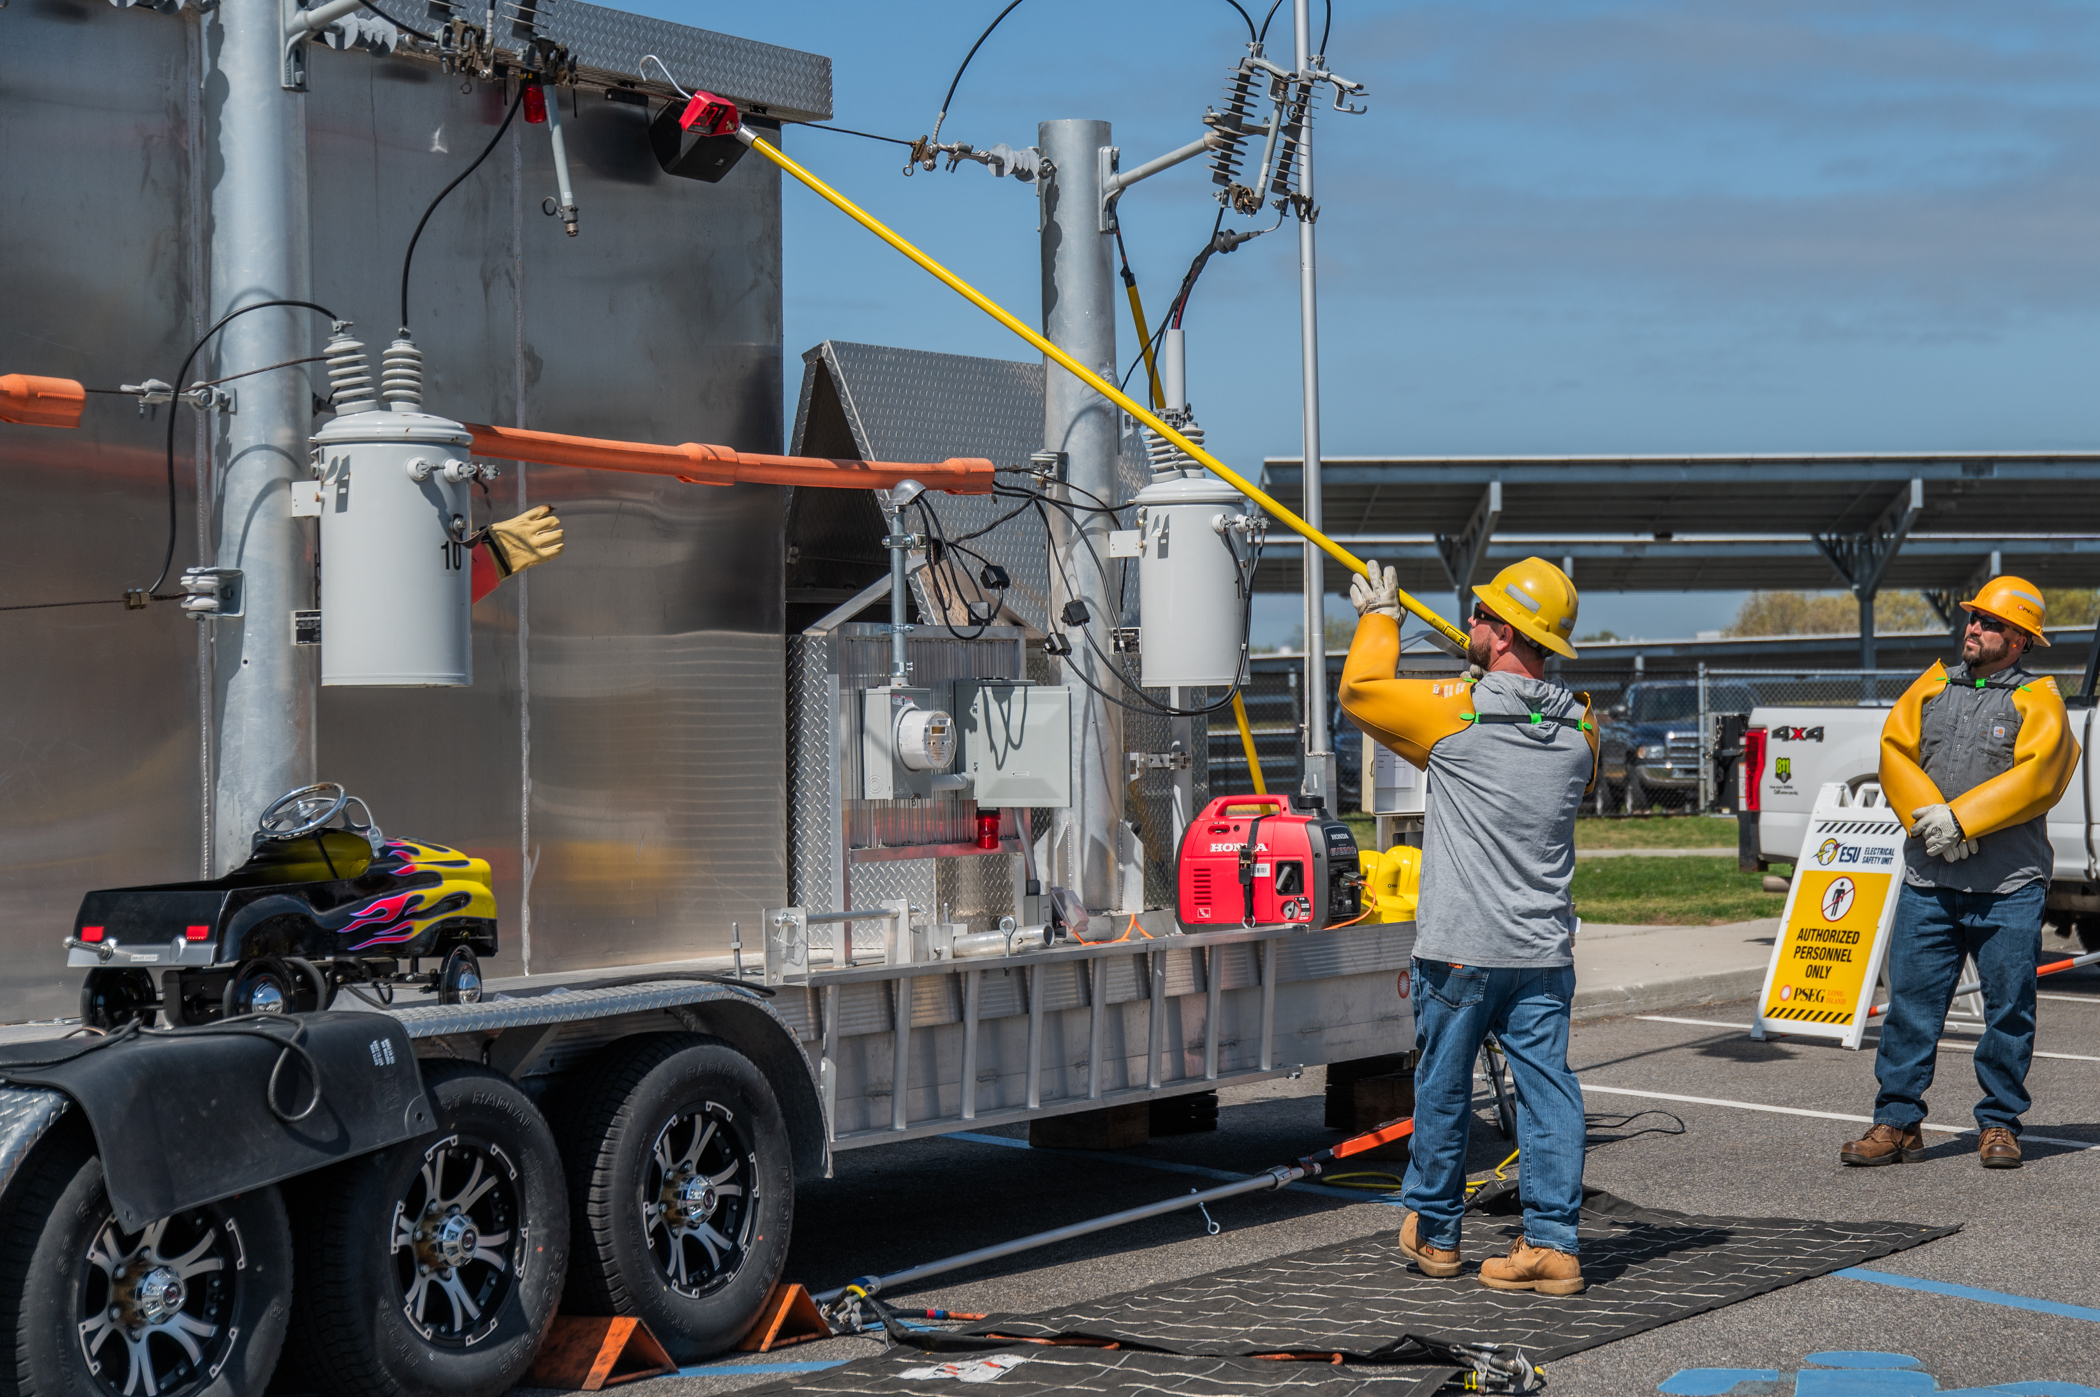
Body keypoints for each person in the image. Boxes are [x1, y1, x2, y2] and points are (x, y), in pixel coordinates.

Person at [1338, 556, 1597, 1295]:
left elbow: (1360, 691)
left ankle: (1436, 1233)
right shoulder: (1584, 729)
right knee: (1549, 1090)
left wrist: (1380, 620)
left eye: (1480, 616)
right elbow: (1530, 716)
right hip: (1542, 951)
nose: (1470, 622)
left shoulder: (1455, 716)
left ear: (1506, 629)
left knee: (1445, 1087)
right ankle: (1551, 1243)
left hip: (1459, 952)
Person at [1842, 576, 2077, 1170]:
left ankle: (1999, 1124)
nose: (1975, 629)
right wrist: (1930, 824)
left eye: (1992, 623)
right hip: (1930, 882)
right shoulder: (1930, 689)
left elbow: (2041, 774)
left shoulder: (2038, 700)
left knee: (2008, 1010)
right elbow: (1895, 754)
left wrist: (1962, 820)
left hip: (2009, 886)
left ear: (2021, 640)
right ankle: (1897, 1122)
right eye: (1974, 619)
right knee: (1911, 1010)